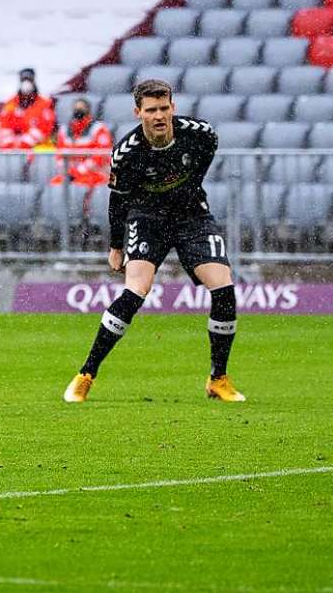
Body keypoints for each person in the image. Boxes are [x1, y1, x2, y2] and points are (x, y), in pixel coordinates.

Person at [64, 79, 245, 404]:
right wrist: (116, 245)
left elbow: (202, 163)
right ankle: (85, 374)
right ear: (138, 113)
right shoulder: (127, 154)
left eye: (164, 108)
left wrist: (184, 194)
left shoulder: (200, 134)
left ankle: (218, 379)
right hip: (147, 218)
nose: (159, 115)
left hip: (191, 216)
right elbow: (117, 202)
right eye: (151, 110)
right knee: (136, 290)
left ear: (173, 107)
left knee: (224, 289)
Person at [53, 97, 112, 186]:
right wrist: (66, 171)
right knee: (55, 184)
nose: (78, 111)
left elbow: (101, 155)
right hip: (69, 175)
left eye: (82, 108)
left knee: (80, 185)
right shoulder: (64, 129)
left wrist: (79, 171)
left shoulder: (98, 129)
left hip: (94, 174)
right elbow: (59, 154)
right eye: (76, 108)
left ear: (88, 110)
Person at [0, 68, 55, 149]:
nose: (26, 83)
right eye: (23, 79)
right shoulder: (11, 103)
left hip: (37, 150)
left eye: (29, 79)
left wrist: (27, 141)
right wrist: (10, 143)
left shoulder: (44, 104)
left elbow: (46, 127)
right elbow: (4, 124)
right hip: (13, 151)